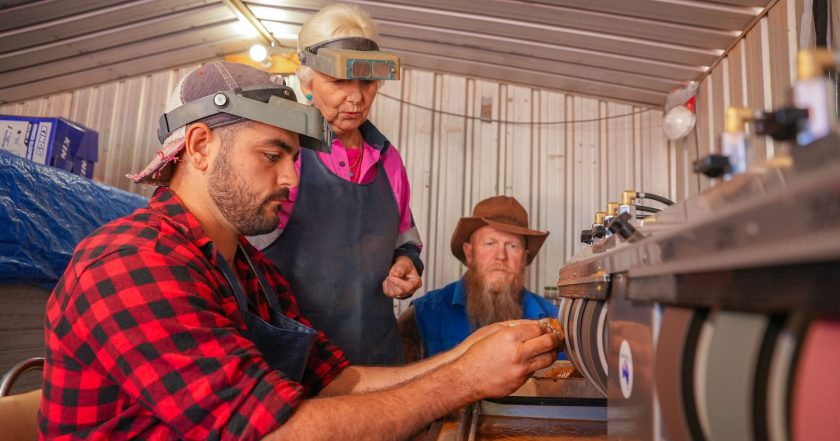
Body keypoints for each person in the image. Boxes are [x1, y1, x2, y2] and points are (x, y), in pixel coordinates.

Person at [39, 61, 562, 440]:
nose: (292, 178)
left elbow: (337, 379)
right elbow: (270, 433)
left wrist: (471, 353)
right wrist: (466, 379)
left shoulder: (251, 270)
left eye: (293, 157)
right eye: (273, 155)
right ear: (199, 147)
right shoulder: (134, 265)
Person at [251, 3, 421, 366]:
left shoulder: (388, 159)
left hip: (377, 360)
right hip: (299, 365)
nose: (356, 97)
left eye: (366, 82)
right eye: (339, 81)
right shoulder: (284, 154)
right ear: (307, 82)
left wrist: (407, 264)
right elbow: (242, 253)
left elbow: (406, 241)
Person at [399, 196, 564, 362]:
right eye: (490, 243)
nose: (501, 256)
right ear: (469, 253)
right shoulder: (423, 316)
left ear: (524, 258)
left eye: (512, 245)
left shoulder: (556, 322)